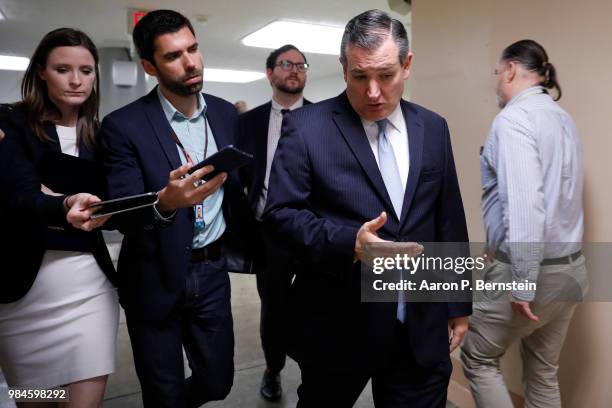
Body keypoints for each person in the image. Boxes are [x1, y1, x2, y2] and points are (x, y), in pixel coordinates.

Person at [263, 9, 471, 407]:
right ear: (344, 69)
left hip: (419, 329)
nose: (373, 92)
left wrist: (458, 302)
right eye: (360, 76)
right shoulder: (307, 127)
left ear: (406, 65)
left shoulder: (433, 127)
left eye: (385, 75)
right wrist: (351, 245)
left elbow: (448, 218)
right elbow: (280, 217)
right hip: (338, 326)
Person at [98, 10, 254, 407]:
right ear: (150, 66)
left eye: (193, 49)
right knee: (162, 393)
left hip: (212, 271)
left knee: (218, 382)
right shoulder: (123, 126)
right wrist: (164, 204)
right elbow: (119, 213)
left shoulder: (225, 114)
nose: (190, 63)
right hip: (152, 274)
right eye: (173, 56)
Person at [461, 39, 587, 408]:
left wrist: (523, 282)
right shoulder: (564, 119)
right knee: (544, 369)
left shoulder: (514, 120)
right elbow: (556, 197)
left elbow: (526, 206)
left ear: (511, 70)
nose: (497, 81)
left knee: (478, 357)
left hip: (533, 271)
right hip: (571, 270)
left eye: (498, 73)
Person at [0, 28, 118, 407]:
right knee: (34, 400)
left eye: (86, 70)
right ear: (41, 72)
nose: (76, 80)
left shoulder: (102, 136)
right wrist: (60, 204)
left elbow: (112, 204)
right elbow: (18, 196)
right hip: (21, 291)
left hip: (88, 288)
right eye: (63, 68)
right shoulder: (11, 123)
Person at [237, 43, 310, 401]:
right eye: (286, 64)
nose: (295, 70)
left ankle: (315, 369)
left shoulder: (324, 117)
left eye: (301, 65)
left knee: (316, 304)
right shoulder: (248, 123)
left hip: (313, 232)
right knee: (274, 307)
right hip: (269, 233)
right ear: (270, 73)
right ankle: (273, 368)